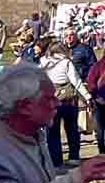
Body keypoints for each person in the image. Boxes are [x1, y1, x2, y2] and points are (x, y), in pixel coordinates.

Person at [38, 37, 92, 166]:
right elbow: (76, 81)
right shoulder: (66, 63)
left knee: (53, 132)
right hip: (67, 100)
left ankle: (56, 159)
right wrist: (87, 96)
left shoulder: (43, 63)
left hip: (50, 100)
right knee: (72, 128)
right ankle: (73, 156)